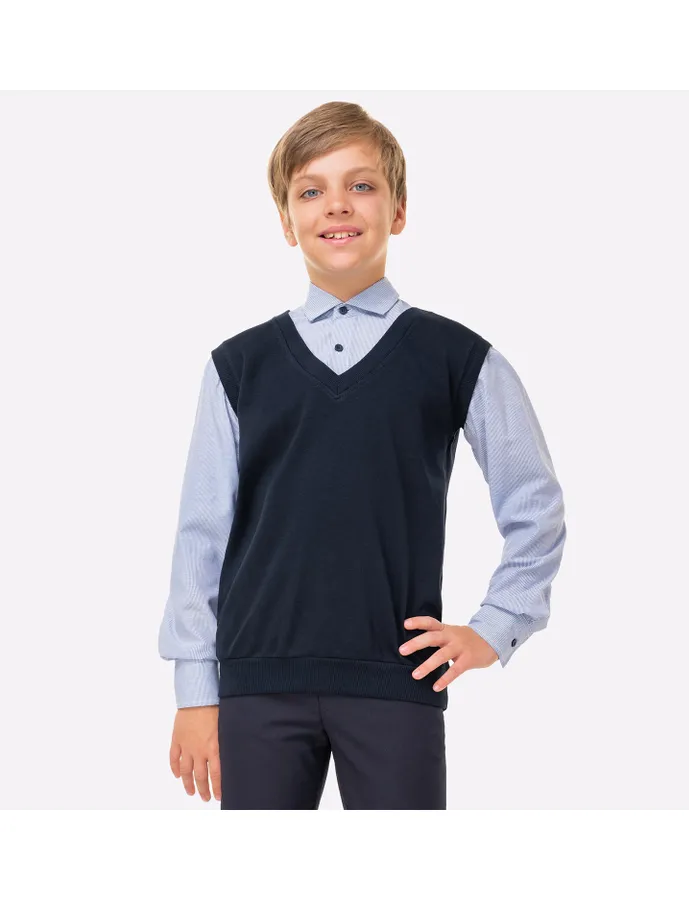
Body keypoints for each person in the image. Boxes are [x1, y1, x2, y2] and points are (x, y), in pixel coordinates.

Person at [157, 100, 567, 810]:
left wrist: (494, 628)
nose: (337, 205)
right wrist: (196, 690)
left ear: (398, 210)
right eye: (310, 191)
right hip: (257, 688)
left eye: (362, 185)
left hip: (397, 683)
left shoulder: (457, 357)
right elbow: (202, 534)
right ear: (286, 221)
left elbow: (535, 502)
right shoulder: (237, 366)